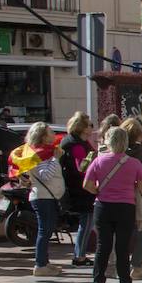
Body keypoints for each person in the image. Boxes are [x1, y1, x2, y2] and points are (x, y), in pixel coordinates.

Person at [83, 126, 142, 283]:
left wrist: (99, 191)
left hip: (103, 207)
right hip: (125, 207)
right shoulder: (134, 163)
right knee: (122, 248)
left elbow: (87, 185)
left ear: (108, 141)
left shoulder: (98, 161)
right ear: (125, 142)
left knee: (102, 247)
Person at [15, 123, 66, 277]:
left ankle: (44, 262)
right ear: (43, 136)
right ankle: (40, 265)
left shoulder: (44, 152)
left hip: (47, 196)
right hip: (43, 197)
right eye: (50, 132)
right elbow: (45, 175)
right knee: (45, 230)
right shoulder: (39, 154)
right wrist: (55, 159)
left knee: (47, 230)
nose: (54, 134)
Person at [60, 112, 96, 267]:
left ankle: (79, 254)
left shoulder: (73, 142)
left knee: (86, 222)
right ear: (82, 128)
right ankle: (79, 256)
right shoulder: (77, 145)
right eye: (90, 125)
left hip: (77, 189)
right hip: (81, 190)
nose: (92, 127)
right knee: (86, 223)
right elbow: (82, 168)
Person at [121, 118, 142, 280]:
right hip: (137, 196)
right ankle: (136, 267)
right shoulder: (140, 152)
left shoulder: (113, 153)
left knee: (122, 235)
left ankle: (121, 267)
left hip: (116, 198)